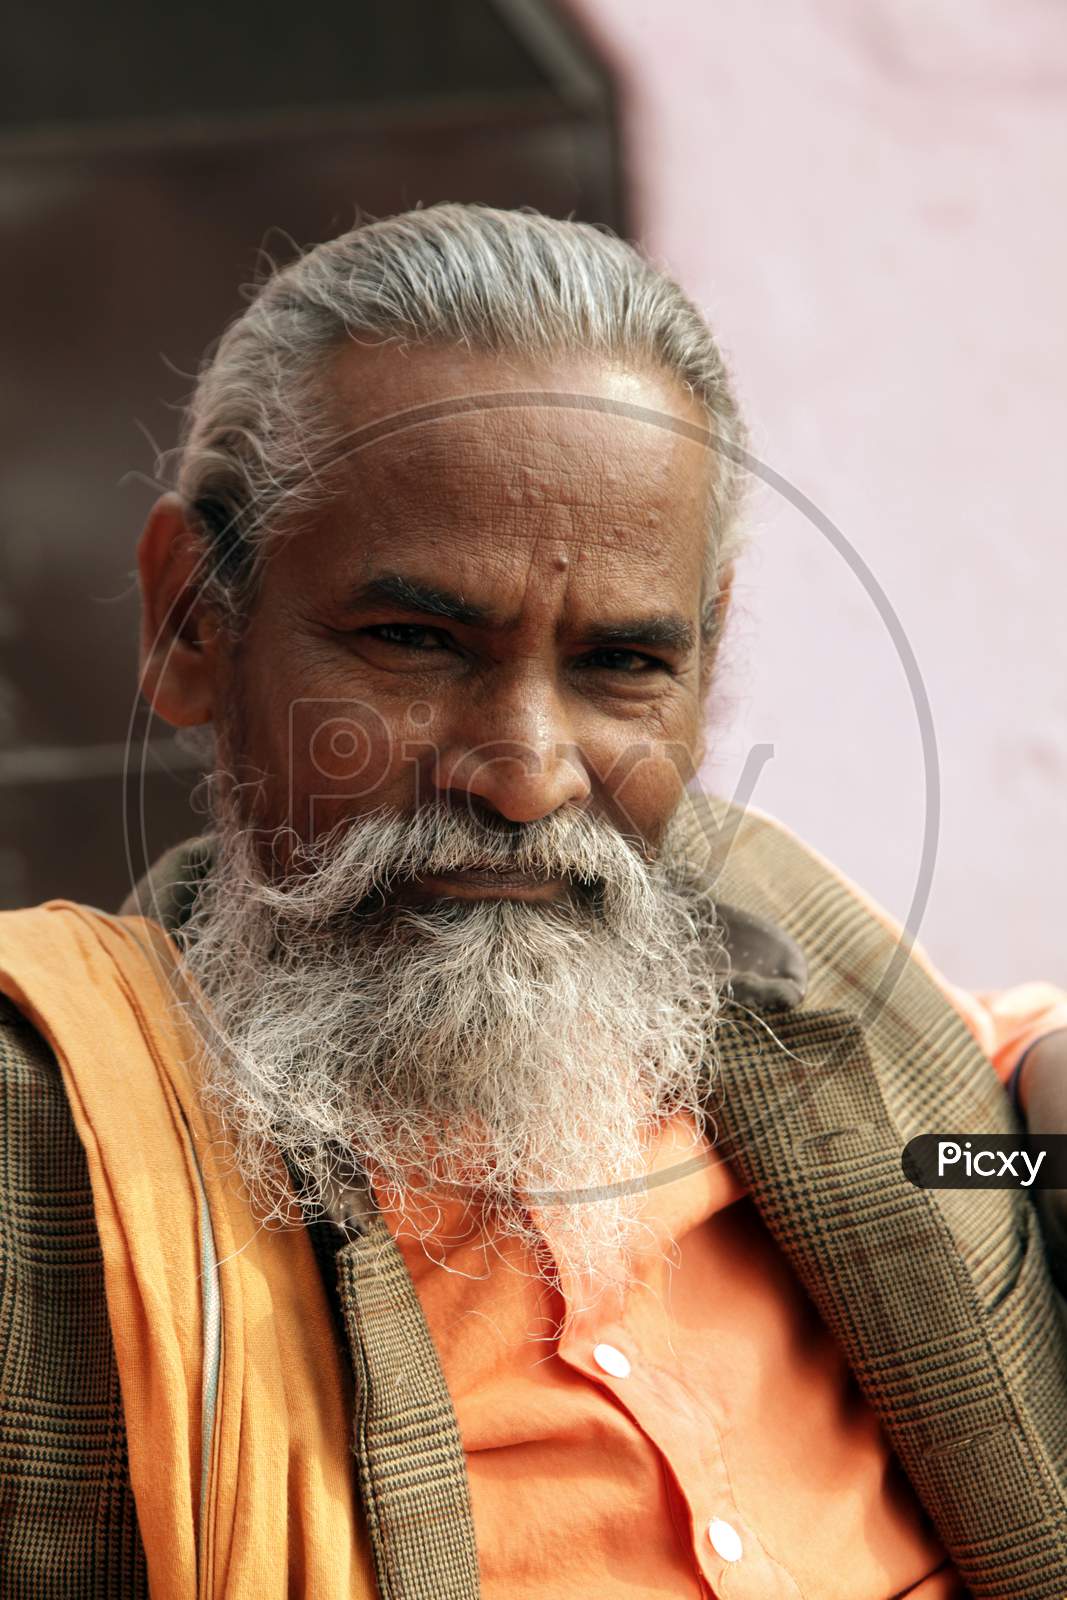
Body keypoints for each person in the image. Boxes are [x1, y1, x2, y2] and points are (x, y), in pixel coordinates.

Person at [1, 203, 1064, 1600]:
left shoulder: (755, 923)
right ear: (193, 619)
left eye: (622, 662)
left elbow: (970, 1110)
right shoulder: (56, 1158)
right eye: (413, 641)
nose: (523, 775)